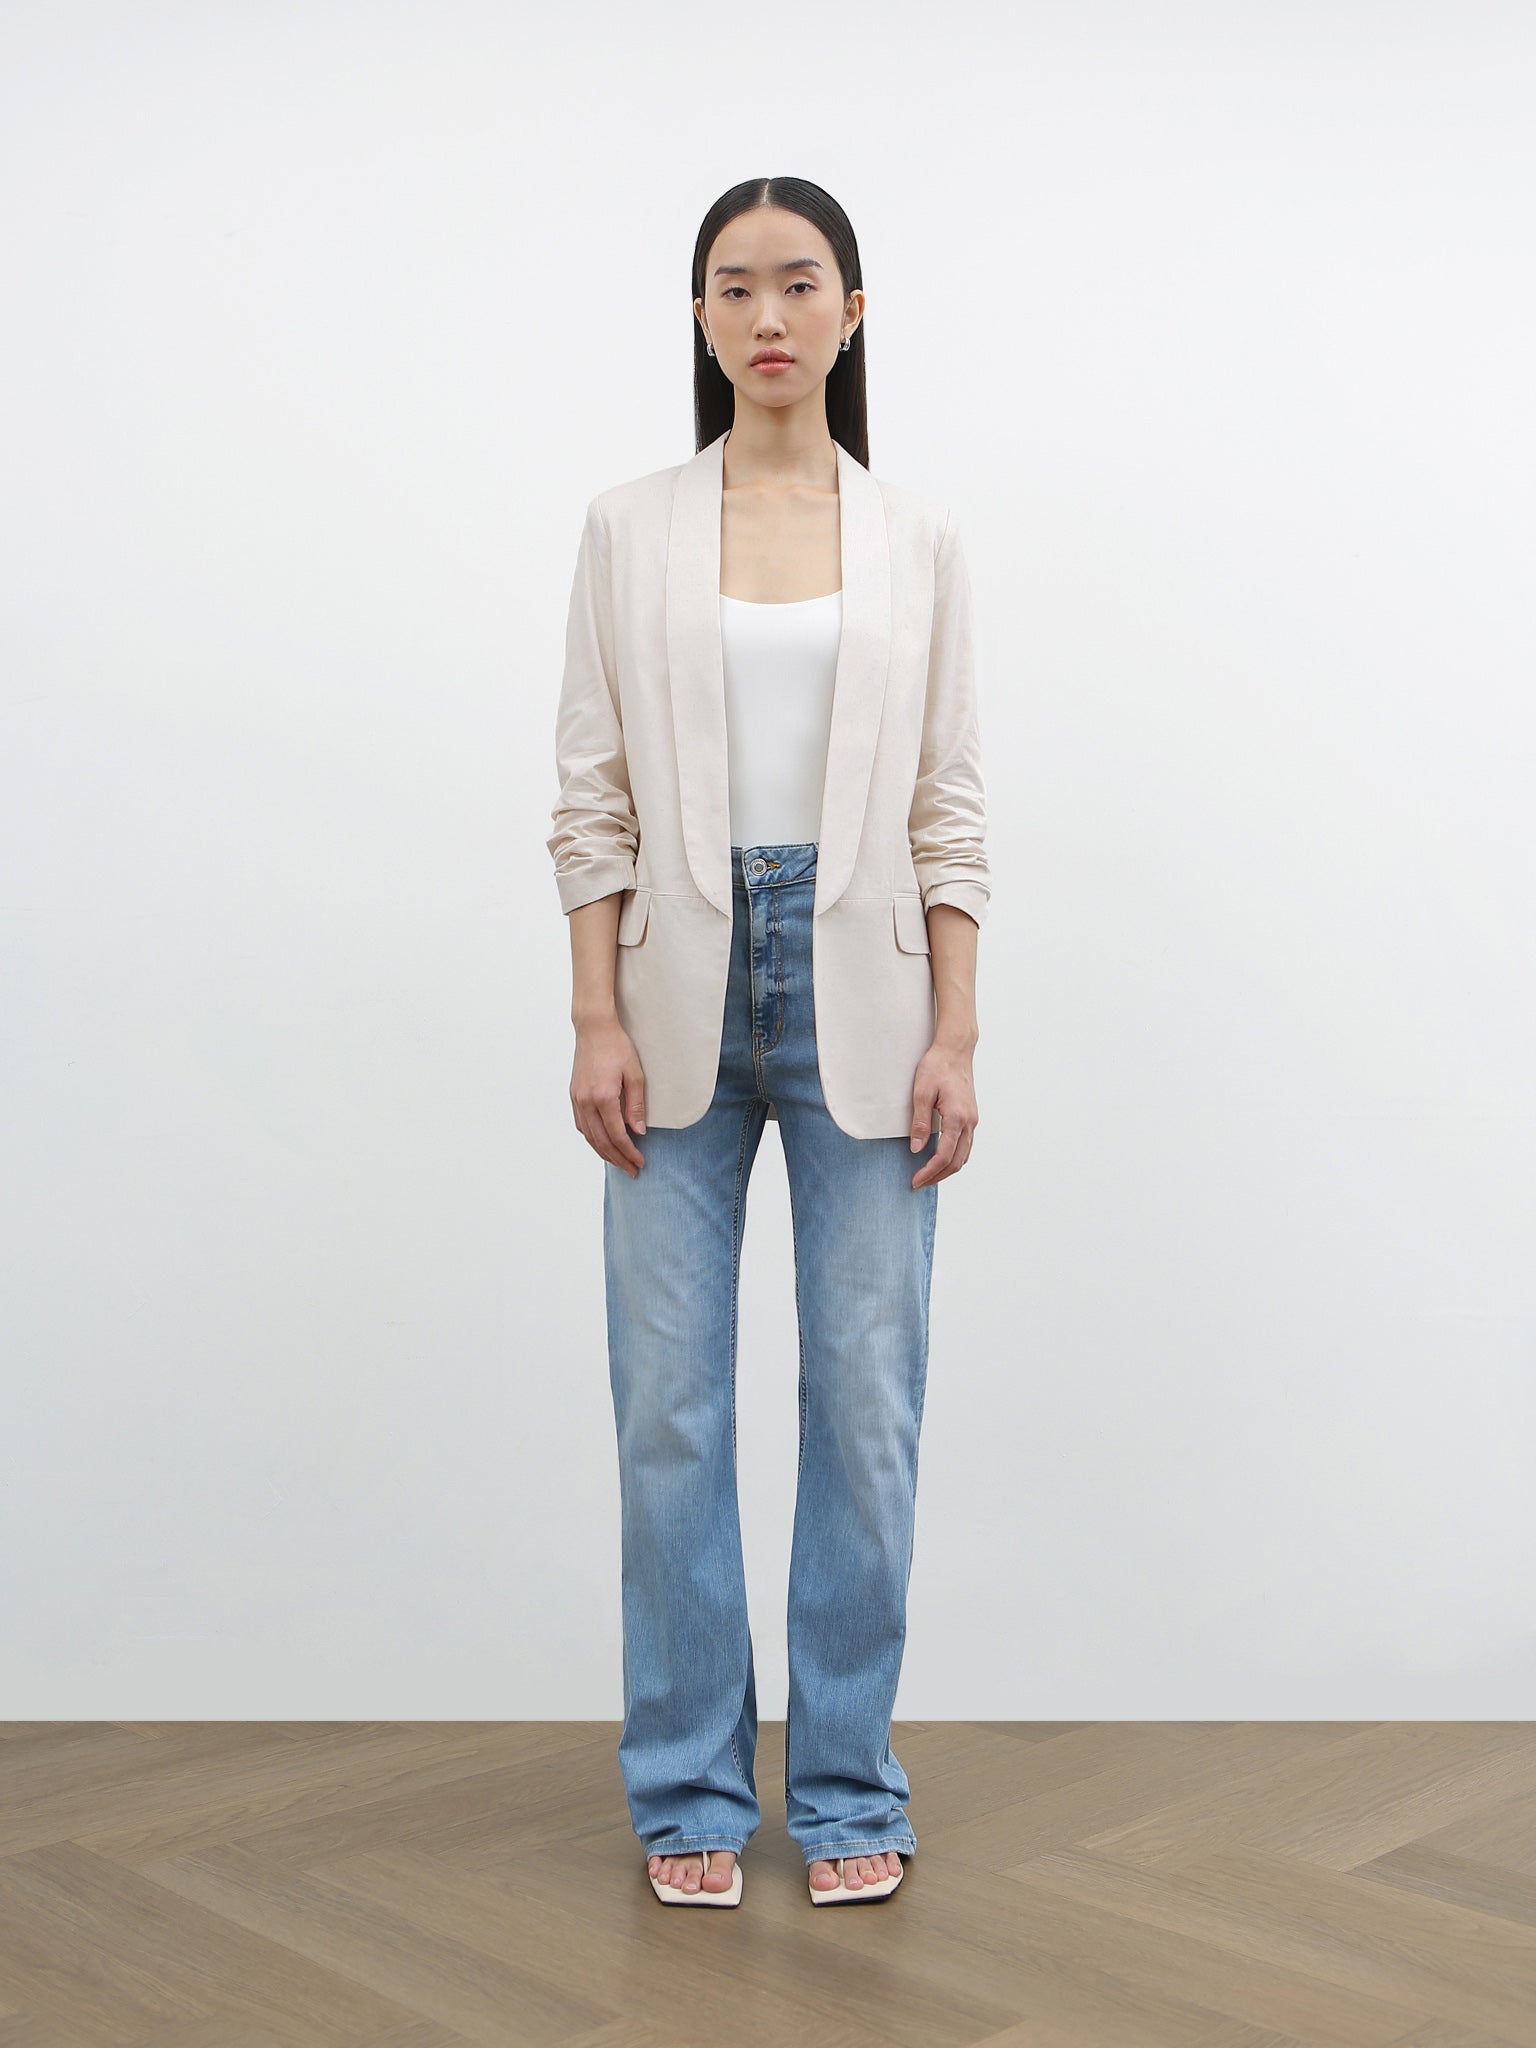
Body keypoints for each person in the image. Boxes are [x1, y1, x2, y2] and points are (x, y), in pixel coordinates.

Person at [547, 175, 991, 1908]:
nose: (768, 316)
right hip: (672, 988)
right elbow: (590, 792)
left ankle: (851, 1787)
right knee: (669, 1409)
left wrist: (959, 1029)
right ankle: (689, 1794)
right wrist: (593, 1010)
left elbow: (951, 807)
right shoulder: (628, 527)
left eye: (800, 284)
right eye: (734, 288)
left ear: (853, 312)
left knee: (866, 1405)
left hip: (867, 989)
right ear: (702, 319)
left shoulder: (917, 539)